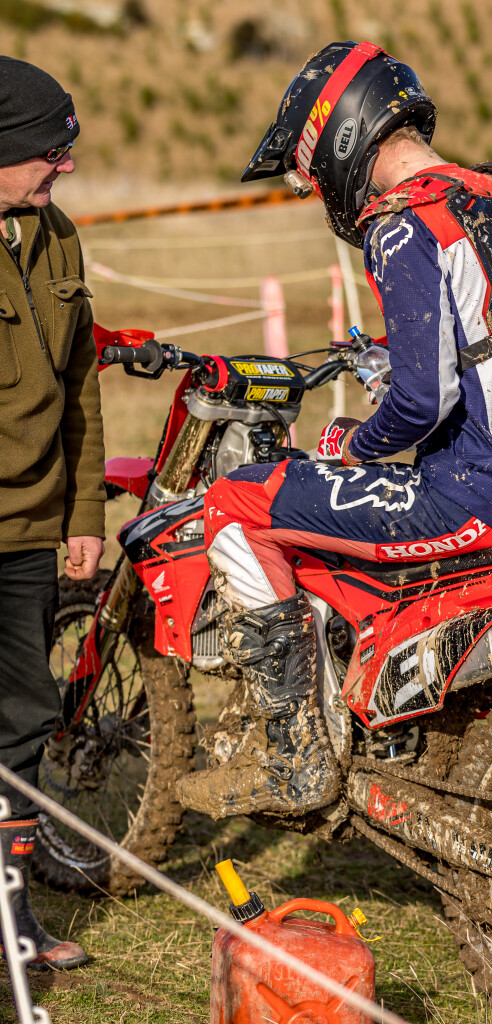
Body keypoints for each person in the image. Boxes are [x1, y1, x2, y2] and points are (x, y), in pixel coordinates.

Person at [176, 41, 492, 820]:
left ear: (336, 138)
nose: (314, 189)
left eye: (307, 172)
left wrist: (353, 441)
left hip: (474, 496)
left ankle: (294, 756)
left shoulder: (402, 225)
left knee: (236, 502)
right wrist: (463, 364)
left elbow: (418, 404)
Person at [0, 56, 105, 969]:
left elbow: (80, 386)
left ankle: (11, 916)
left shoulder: (59, 236)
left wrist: (84, 513)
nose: (64, 165)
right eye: (48, 150)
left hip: (34, 525)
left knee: (25, 720)